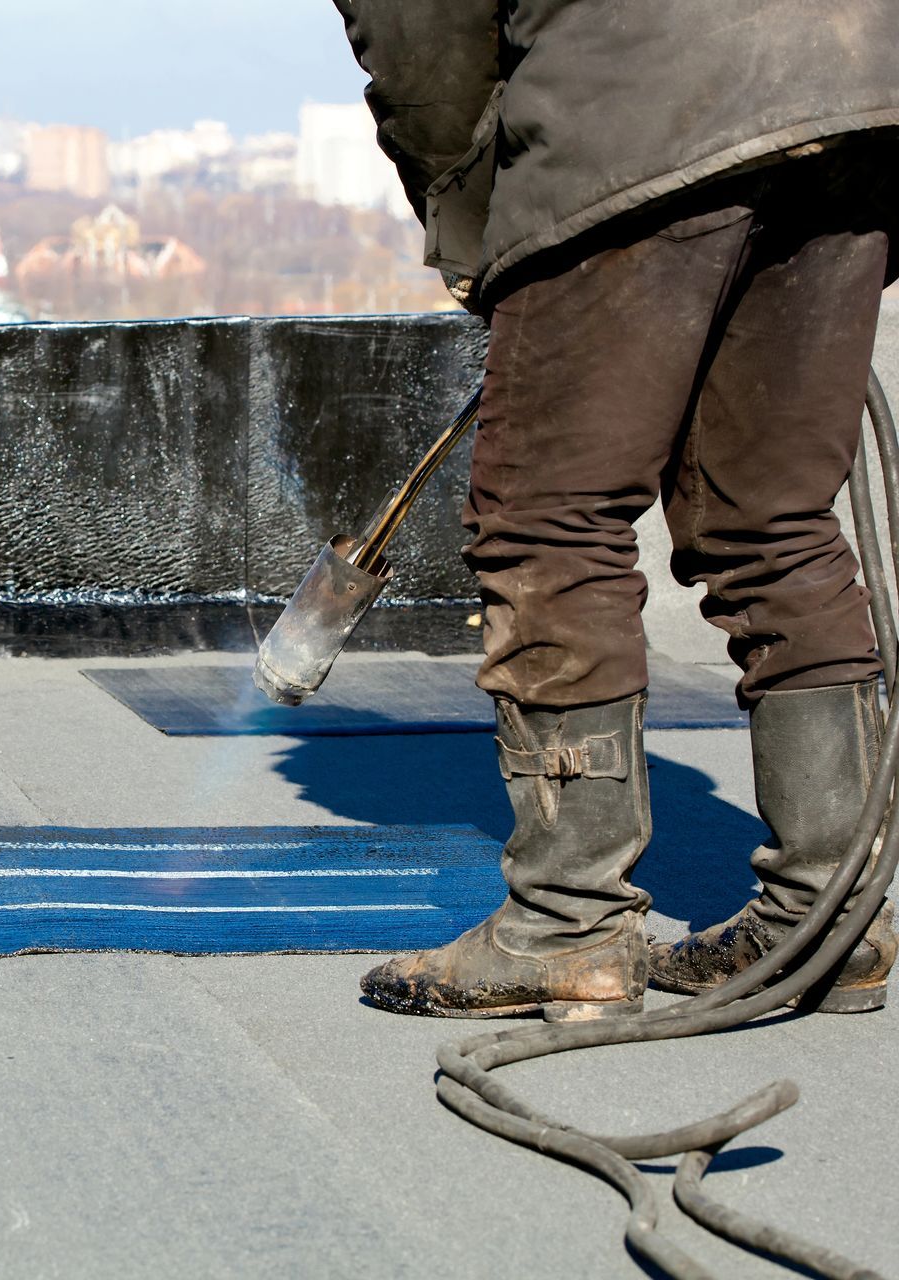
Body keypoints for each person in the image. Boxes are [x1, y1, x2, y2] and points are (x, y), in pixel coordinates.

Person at [333, 0, 899, 1019]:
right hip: (860, 92)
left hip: (648, 97)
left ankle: (565, 925)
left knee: (548, 518)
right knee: (773, 520)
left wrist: (478, 220)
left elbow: (419, 33)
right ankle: (836, 912)